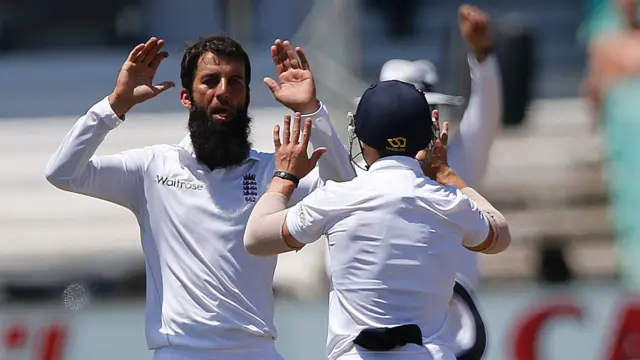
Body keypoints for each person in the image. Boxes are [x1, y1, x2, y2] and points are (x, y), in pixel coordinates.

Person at [45, 35, 353, 360]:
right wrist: (115, 105)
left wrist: (310, 111)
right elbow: (63, 172)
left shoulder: (273, 172)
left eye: (235, 82)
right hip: (179, 352)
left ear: (247, 96)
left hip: (255, 351)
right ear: (186, 97)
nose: (223, 91)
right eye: (210, 81)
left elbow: (348, 189)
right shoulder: (151, 168)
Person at [243, 79, 510, 360]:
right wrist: (447, 175)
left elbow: (256, 238)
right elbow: (499, 235)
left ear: (363, 138)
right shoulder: (450, 202)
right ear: (428, 138)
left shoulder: (335, 198)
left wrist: (284, 177)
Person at [349, 5, 502, 359]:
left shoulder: (457, 159)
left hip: (452, 330)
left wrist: (483, 57)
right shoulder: (358, 172)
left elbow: (487, 116)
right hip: (373, 330)